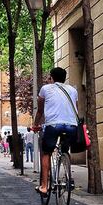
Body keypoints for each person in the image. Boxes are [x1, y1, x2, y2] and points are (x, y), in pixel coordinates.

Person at [33, 67, 78, 196]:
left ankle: (44, 186)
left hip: (53, 126)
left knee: (46, 153)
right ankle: (67, 171)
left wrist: (36, 125)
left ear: (51, 78)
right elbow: (76, 109)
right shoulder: (73, 90)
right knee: (64, 149)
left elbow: (40, 111)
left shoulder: (45, 89)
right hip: (71, 126)